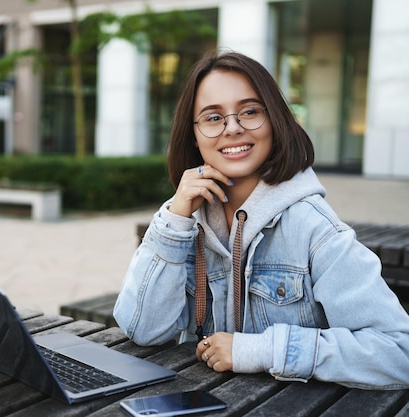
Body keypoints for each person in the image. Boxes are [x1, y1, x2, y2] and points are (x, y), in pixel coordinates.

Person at [113, 51, 409, 389]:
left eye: (250, 112)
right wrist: (174, 218)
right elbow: (143, 330)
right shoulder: (183, 221)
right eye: (213, 118)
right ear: (193, 135)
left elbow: (399, 352)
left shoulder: (313, 228)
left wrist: (261, 350)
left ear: (275, 120)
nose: (233, 128)